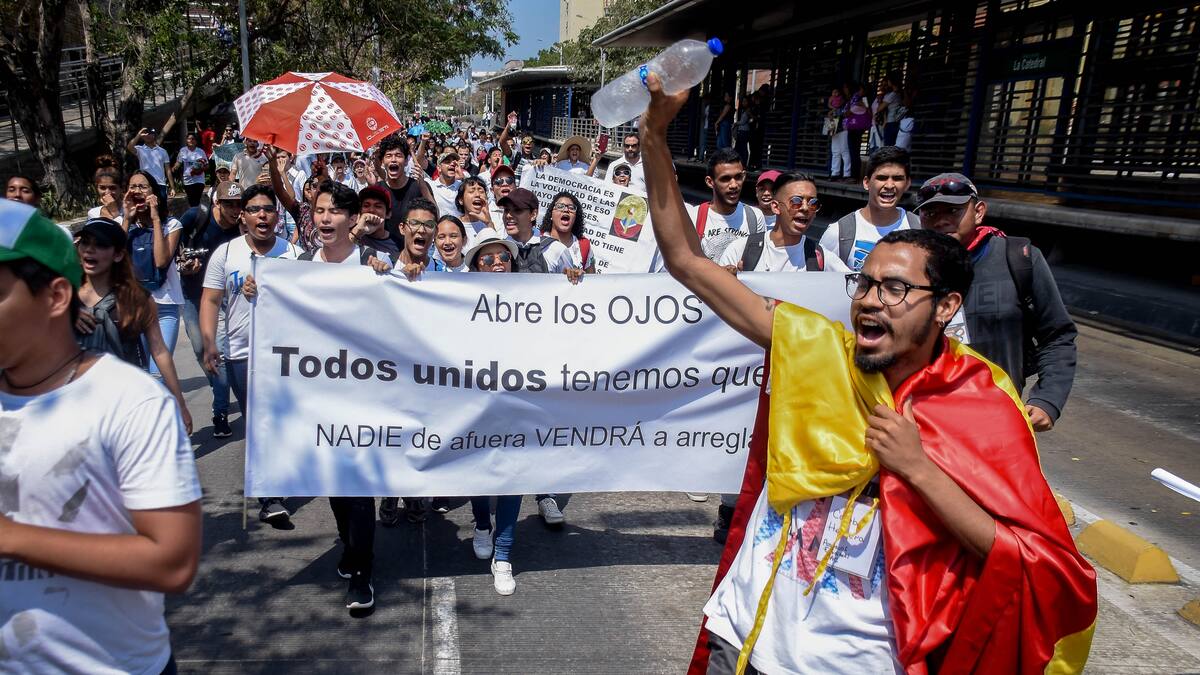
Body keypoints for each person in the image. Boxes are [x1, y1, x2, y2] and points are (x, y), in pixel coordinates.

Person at [639, 72, 1097, 675]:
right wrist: (654, 135)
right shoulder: (818, 349)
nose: (872, 301)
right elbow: (685, 260)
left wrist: (917, 468)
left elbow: (1035, 564)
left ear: (946, 306)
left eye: (896, 289)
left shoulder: (982, 402)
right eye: (866, 284)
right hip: (745, 636)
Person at [0, 200, 202, 675]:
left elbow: (172, 562)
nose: (90, 252)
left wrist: (12, 539)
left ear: (55, 297)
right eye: (83, 245)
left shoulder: (131, 402)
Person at [241, 181, 385, 611]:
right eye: (320, 210)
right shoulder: (299, 266)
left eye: (335, 211)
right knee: (334, 485)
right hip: (316, 398)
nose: (325, 218)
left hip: (363, 395)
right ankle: (349, 544)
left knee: (358, 486)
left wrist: (395, 275)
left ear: (352, 219)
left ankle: (362, 573)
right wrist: (257, 291)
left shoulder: (372, 263)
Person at [914, 173, 1077, 432]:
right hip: (925, 421)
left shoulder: (1020, 259)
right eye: (931, 213)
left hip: (999, 421)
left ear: (978, 212)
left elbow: (1057, 336)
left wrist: (1047, 400)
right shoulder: (910, 268)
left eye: (953, 210)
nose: (941, 220)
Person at [200, 184, 302, 523]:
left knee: (283, 422)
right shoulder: (226, 253)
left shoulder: (292, 254)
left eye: (268, 209)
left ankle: (282, 476)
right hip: (242, 354)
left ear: (277, 216)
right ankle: (270, 496)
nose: (262, 215)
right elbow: (210, 299)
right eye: (255, 209)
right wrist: (210, 342)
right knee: (258, 424)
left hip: (287, 356)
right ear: (242, 216)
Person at [73, 217, 192, 433]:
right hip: (78, 407)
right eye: (85, 242)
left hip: (127, 406)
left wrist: (180, 403)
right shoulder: (62, 297)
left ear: (118, 254)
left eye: (100, 245)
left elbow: (159, 351)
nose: (89, 250)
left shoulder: (137, 299)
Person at [177, 181, 242, 438]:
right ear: (217, 203)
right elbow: (173, 248)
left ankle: (220, 413)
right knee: (200, 349)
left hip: (221, 299)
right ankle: (219, 385)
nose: (235, 210)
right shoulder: (195, 217)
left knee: (218, 353)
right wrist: (183, 264)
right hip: (192, 295)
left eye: (238, 204)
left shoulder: (240, 228)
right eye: (229, 204)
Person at [121, 171, 184, 381]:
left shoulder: (172, 225)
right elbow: (114, 257)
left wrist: (156, 219)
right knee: (141, 375)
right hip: (135, 306)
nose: (137, 191)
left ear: (154, 192)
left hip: (165, 306)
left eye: (143, 186)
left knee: (158, 374)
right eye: (133, 187)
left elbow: (161, 260)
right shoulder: (124, 224)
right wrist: (126, 218)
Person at [818, 146, 919, 271]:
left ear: (907, 184)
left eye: (897, 179)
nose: (889, 185)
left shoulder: (919, 228)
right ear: (866, 183)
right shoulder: (838, 233)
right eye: (881, 178)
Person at [685, 149, 766, 263]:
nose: (734, 185)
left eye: (738, 177)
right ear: (710, 182)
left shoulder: (755, 217)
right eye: (725, 179)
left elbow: (759, 262)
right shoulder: (693, 217)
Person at [498, 188, 576, 276]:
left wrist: (576, 276)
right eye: (506, 210)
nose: (508, 215)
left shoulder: (556, 249)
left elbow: (571, 283)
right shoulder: (498, 250)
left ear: (533, 214)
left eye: (517, 210)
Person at [540, 191, 595, 272]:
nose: (566, 210)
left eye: (571, 208)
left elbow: (592, 277)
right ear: (551, 214)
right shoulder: (536, 240)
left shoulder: (584, 245)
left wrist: (581, 276)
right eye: (560, 206)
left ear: (576, 217)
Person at [350, 185, 403, 257]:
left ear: (388, 214)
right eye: (366, 205)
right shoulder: (349, 233)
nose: (371, 210)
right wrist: (358, 231)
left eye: (378, 206)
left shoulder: (399, 245)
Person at [126, 128, 175, 204]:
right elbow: (129, 147)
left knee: (162, 207)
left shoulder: (163, 151)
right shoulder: (140, 149)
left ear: (155, 135)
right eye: (146, 134)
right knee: (146, 207)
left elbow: (168, 170)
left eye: (150, 134)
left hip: (160, 184)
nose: (148, 136)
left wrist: (172, 188)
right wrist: (138, 135)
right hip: (146, 185)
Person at [455, 176, 495, 242]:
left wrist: (489, 223)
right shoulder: (453, 225)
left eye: (481, 191)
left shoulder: (491, 222)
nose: (477, 195)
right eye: (471, 191)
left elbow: (495, 246)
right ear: (461, 200)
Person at [174, 132, 209, 207]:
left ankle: (195, 212)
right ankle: (195, 212)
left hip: (199, 179)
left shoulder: (201, 151)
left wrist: (200, 169)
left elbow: (207, 166)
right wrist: (174, 167)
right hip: (188, 180)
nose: (191, 140)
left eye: (193, 139)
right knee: (191, 200)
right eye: (189, 139)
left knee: (196, 199)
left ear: (196, 141)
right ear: (186, 140)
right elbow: (178, 162)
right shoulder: (183, 151)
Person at [426, 151, 463, 218]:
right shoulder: (430, 185)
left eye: (454, 163)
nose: (452, 164)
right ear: (439, 168)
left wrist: (462, 176)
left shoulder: (462, 186)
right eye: (447, 162)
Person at [828, 87, 852, 180]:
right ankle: (835, 173)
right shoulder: (834, 107)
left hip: (844, 127)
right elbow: (830, 115)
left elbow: (847, 114)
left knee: (844, 151)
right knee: (835, 151)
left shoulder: (846, 103)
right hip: (834, 127)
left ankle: (846, 174)